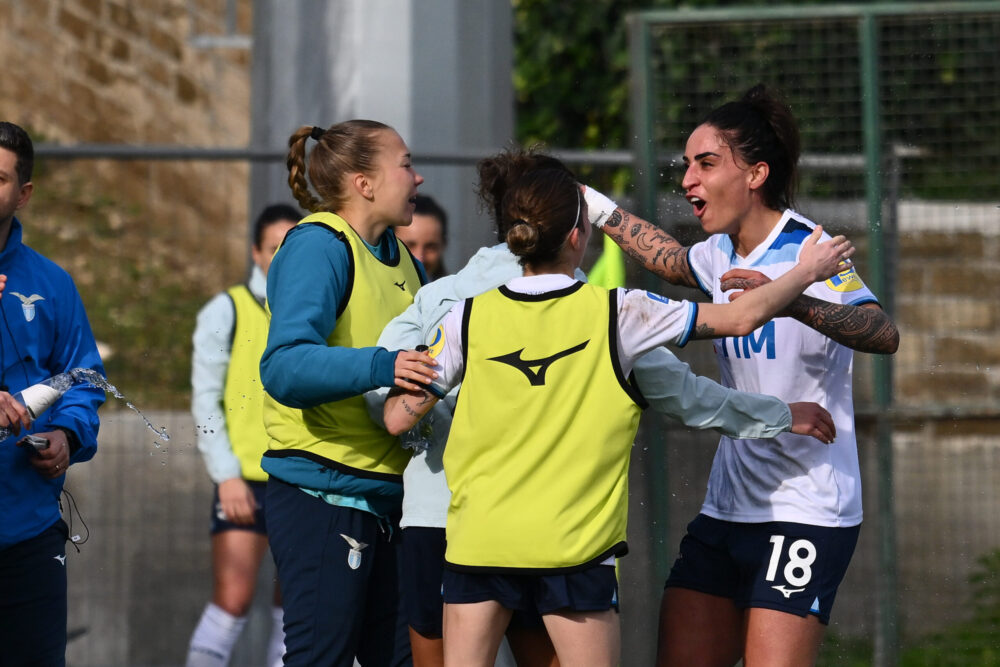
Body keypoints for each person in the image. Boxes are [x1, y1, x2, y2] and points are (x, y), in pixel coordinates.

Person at [369, 147, 843, 667]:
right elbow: (739, 319)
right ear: (578, 235)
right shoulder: (619, 314)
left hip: (478, 547)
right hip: (572, 551)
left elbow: (397, 417)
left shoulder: (462, 318)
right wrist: (806, 272)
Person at [583, 84, 900, 666]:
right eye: (686, 166)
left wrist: (792, 297)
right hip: (727, 509)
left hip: (806, 509)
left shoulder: (812, 251)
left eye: (706, 164)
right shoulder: (714, 253)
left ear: (755, 174)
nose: (688, 181)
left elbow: (883, 333)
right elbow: (667, 258)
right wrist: (593, 205)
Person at [259, 120, 437, 667]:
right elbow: (284, 368)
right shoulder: (320, 245)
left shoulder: (403, 258)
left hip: (390, 500)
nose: (418, 176)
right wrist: (385, 366)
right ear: (363, 182)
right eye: (405, 164)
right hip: (325, 496)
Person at [0, 121, 106, 666]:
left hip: (28, 533)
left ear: (23, 194)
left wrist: (67, 434)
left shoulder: (52, 284)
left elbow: (84, 379)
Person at [185, 203, 299, 667]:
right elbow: (204, 399)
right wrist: (227, 475)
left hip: (301, 480)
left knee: (292, 613)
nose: (283, 258)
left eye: (293, 248)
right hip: (244, 481)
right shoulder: (226, 309)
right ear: (256, 253)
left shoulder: (319, 311)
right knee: (232, 602)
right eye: (274, 248)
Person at [395, 194, 448, 280]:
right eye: (408, 246)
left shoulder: (453, 292)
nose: (420, 258)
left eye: (430, 247)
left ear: (443, 246)